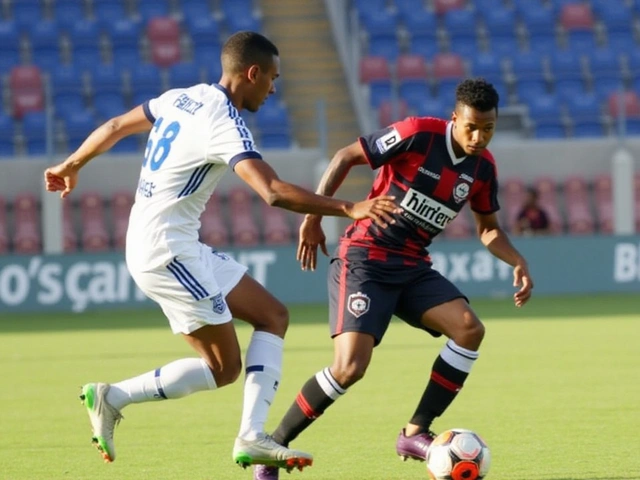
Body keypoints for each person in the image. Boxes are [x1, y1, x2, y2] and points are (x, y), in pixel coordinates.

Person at [43, 31, 400, 471]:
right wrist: (350, 206)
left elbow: (117, 125)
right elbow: (271, 191)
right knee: (223, 368)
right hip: (167, 252)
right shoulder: (222, 121)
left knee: (273, 315)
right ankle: (120, 398)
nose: (274, 89)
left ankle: (249, 433)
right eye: (272, 78)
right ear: (252, 73)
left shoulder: (182, 97)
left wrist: (71, 164)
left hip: (173, 243)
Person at [253, 78, 534, 479]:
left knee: (470, 329)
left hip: (412, 265)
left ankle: (415, 431)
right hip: (365, 258)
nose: (478, 137)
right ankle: (272, 449)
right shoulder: (418, 134)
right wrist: (314, 218)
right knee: (350, 367)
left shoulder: (483, 168)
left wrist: (517, 260)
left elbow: (488, 228)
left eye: (487, 129)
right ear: (455, 118)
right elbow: (345, 156)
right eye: (471, 127)